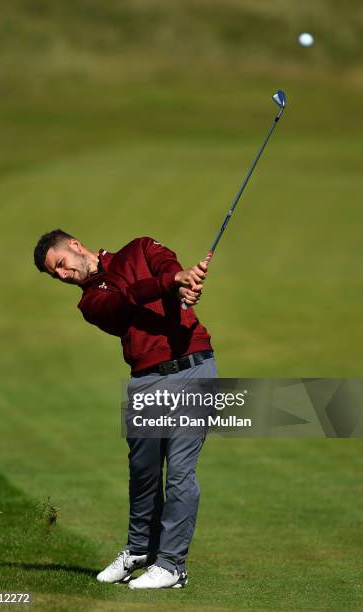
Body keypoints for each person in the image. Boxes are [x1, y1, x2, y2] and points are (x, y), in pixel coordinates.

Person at [33, 229, 218, 589]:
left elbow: (166, 265)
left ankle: (171, 565)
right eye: (55, 275)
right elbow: (128, 300)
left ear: (74, 246)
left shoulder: (140, 247)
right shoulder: (89, 303)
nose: (62, 275)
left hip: (194, 368)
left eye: (61, 265)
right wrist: (172, 283)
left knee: (180, 472)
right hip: (147, 380)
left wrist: (182, 283)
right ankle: (138, 550)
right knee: (144, 472)